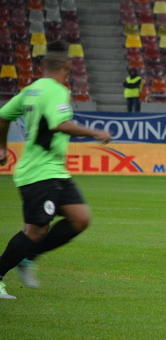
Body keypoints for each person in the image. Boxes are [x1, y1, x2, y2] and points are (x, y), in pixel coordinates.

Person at [0, 40, 112, 299]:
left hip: (55, 172)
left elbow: (4, 115)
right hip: (39, 173)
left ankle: (29, 258)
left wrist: (2, 147)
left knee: (80, 218)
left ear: (44, 65)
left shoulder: (32, 90)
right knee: (36, 230)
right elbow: (61, 124)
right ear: (68, 66)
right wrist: (95, 132)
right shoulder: (56, 91)